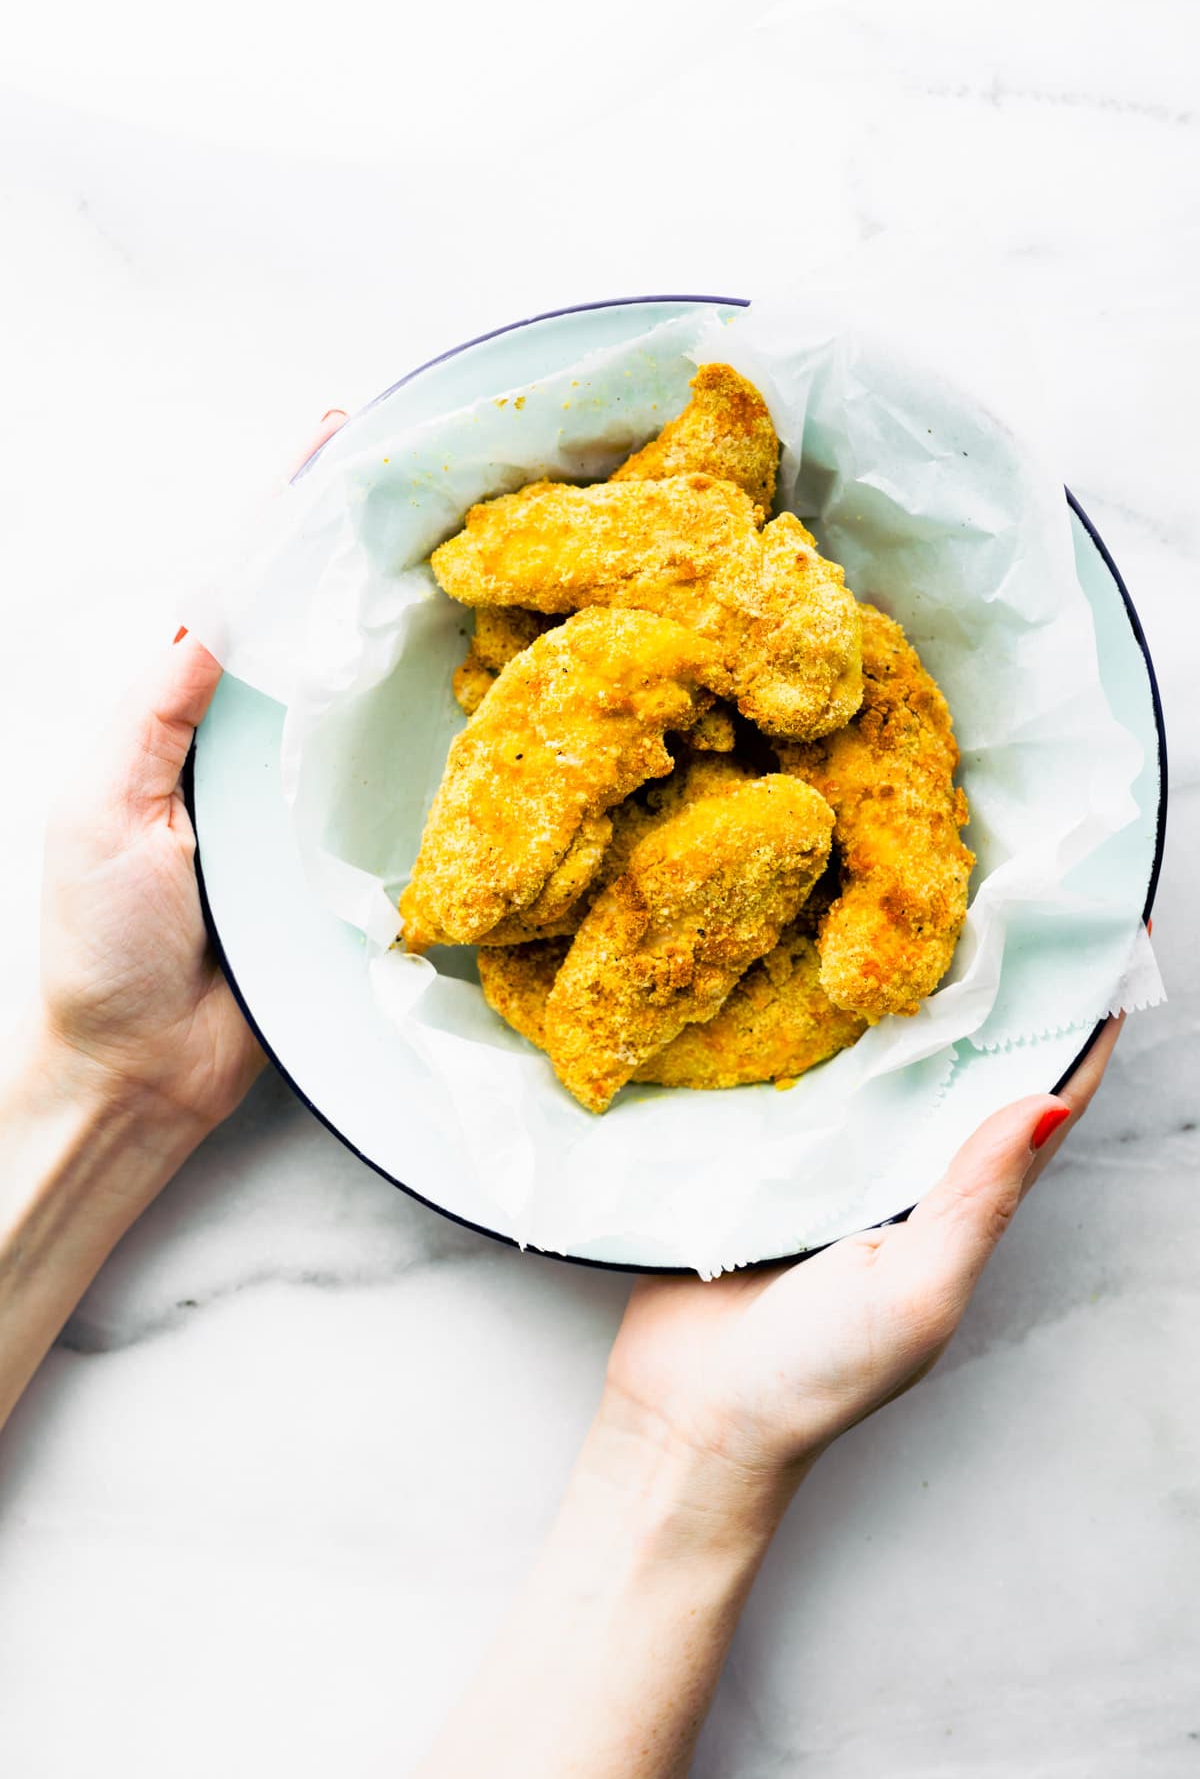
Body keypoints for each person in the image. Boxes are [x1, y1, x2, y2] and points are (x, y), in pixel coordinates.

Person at [0, 421, 1121, 1778]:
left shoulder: (764, 699)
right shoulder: (714, 671)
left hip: (709, 762)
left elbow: (784, 769)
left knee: (735, 844)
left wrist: (105, 1078)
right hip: (676, 765)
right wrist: (692, 1463)